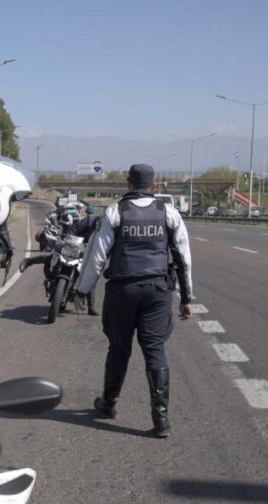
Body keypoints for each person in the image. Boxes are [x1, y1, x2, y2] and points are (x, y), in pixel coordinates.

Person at [73, 164, 193, 438]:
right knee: (155, 350)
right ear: (153, 185)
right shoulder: (168, 213)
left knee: (119, 348)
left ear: (128, 183)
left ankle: (109, 403)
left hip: (122, 291)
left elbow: (96, 257)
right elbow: (183, 258)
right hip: (157, 291)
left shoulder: (115, 212)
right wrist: (186, 298)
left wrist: (82, 290)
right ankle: (161, 418)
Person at [69, 203, 101, 315]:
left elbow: (71, 232)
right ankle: (91, 307)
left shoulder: (84, 221)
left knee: (85, 277)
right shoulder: (95, 223)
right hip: (83, 251)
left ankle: (91, 307)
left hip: (80, 250)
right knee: (90, 279)